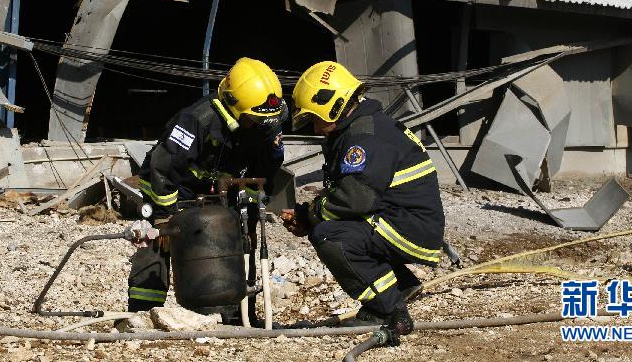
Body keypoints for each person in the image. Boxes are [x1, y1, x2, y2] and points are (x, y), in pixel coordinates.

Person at [284, 61, 445, 342]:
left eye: (314, 118)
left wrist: (310, 215)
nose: (316, 128)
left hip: (409, 228)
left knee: (330, 235)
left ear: (331, 106)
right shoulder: (361, 127)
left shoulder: (364, 135)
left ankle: (388, 309)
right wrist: (308, 214)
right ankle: (401, 285)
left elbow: (354, 199)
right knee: (328, 225)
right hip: (406, 222)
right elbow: (351, 192)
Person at [128, 57, 286, 311]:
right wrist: (166, 216)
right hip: (171, 189)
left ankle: (233, 311)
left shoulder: (263, 124)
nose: (257, 125)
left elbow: (267, 165)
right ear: (233, 104)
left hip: (221, 191)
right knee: (158, 242)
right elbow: (163, 168)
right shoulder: (196, 121)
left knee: (236, 241)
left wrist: (248, 206)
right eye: (251, 120)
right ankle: (142, 311)